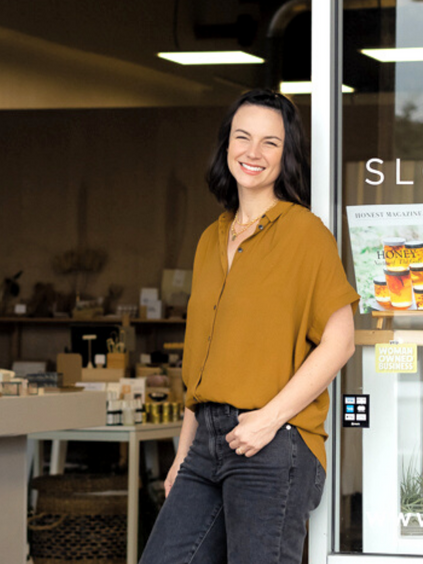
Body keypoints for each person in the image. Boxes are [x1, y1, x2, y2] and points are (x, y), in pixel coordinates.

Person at [139, 89, 359, 564]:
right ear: (226, 147)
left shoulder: (306, 234)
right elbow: (201, 363)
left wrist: (269, 418)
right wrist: (182, 452)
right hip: (207, 441)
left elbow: (340, 343)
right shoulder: (210, 239)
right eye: (243, 138)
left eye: (270, 143)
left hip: (273, 442)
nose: (253, 153)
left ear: (287, 155)